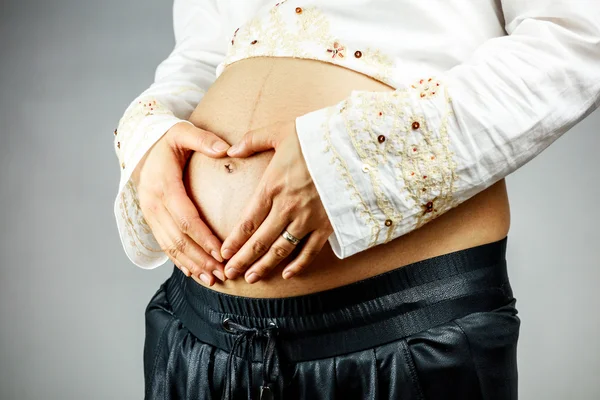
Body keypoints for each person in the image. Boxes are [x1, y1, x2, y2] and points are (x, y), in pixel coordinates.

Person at [112, 1, 600, 399]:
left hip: (405, 336)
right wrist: (151, 139)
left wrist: (349, 159)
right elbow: (205, 50)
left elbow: (578, 37)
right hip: (196, 332)